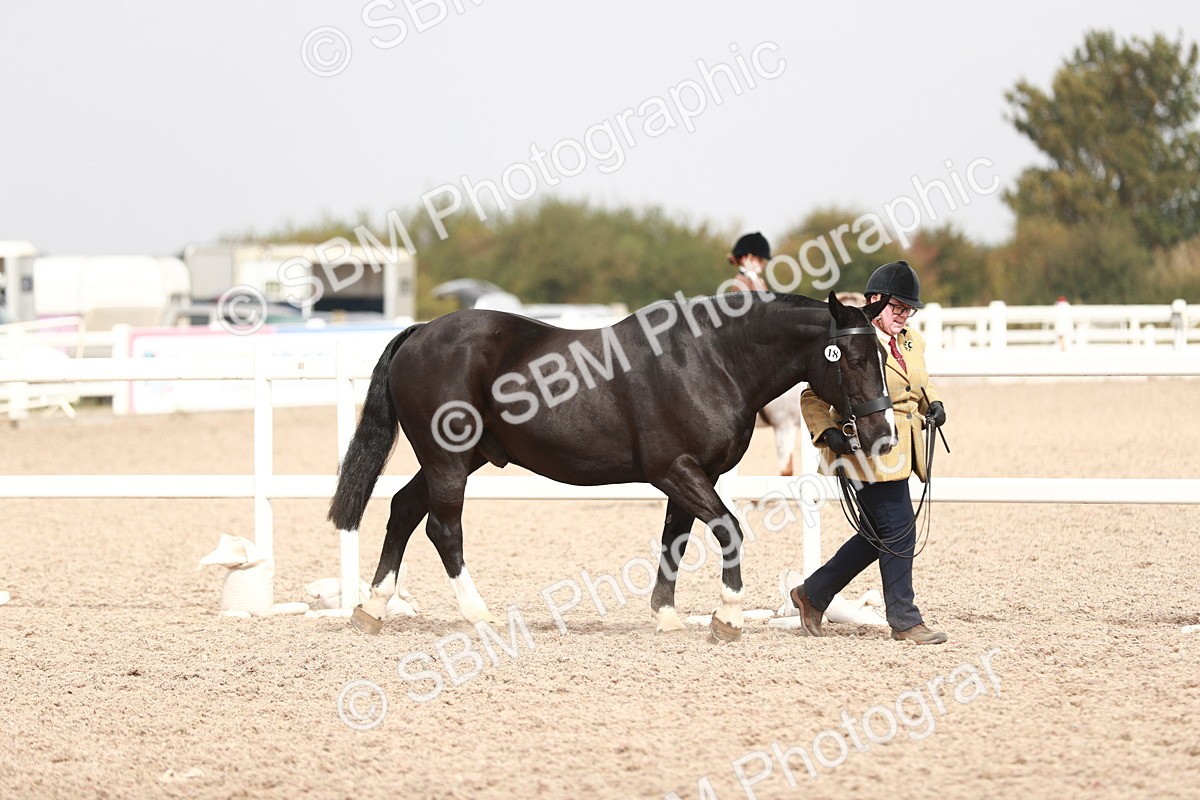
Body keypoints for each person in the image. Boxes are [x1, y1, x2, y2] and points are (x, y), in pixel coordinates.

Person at [791, 260, 949, 645]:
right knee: (899, 529)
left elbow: (916, 385)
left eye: (909, 309)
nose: (904, 315)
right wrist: (827, 432)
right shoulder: (853, 339)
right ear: (875, 302)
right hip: (863, 445)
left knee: (878, 533)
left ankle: (813, 594)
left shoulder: (911, 341)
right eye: (897, 308)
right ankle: (905, 618)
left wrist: (933, 406)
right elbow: (812, 393)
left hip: (903, 447)